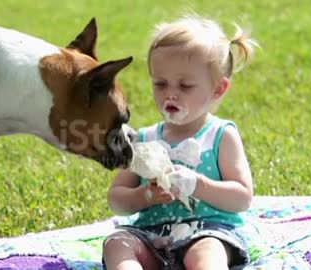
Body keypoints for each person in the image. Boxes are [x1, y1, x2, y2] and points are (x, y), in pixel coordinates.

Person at [102, 14, 259, 270]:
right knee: (117, 243)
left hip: (208, 231)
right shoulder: (144, 140)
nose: (171, 93)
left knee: (206, 253)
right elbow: (116, 200)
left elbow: (242, 198)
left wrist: (198, 184)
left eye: (185, 85)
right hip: (152, 235)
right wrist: (147, 194)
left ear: (218, 89)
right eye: (160, 84)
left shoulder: (220, 135)